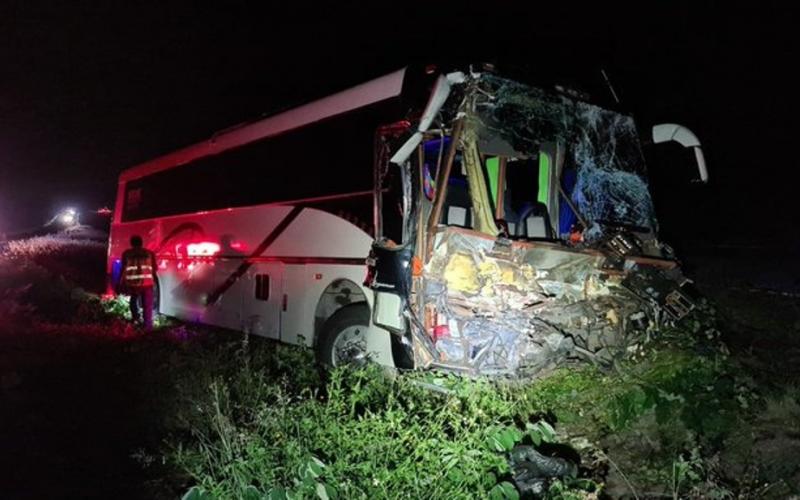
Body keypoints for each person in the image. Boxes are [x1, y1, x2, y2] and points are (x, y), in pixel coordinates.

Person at [120, 235, 157, 330]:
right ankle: (147, 326)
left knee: (133, 300)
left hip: (133, 283)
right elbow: (155, 268)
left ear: (131, 243)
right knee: (147, 304)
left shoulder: (126, 253)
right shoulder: (149, 253)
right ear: (141, 243)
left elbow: (123, 268)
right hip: (147, 283)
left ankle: (135, 318)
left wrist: (120, 281)